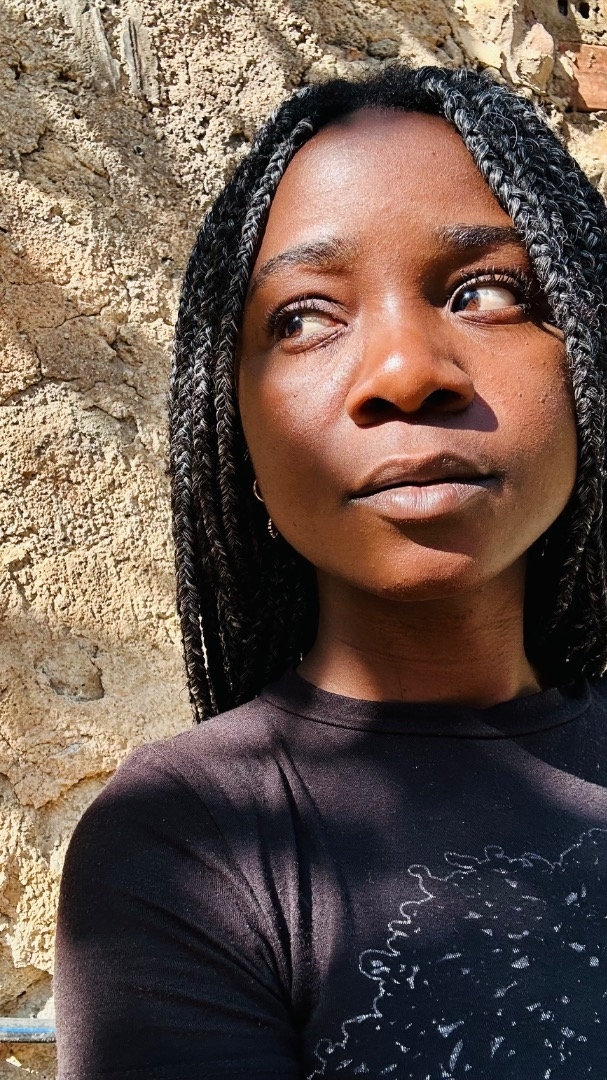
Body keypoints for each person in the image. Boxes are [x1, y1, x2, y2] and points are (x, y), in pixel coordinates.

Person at [54, 64, 607, 1079]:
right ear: (234, 432)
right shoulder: (189, 843)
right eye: (303, 317)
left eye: (487, 292)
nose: (405, 373)